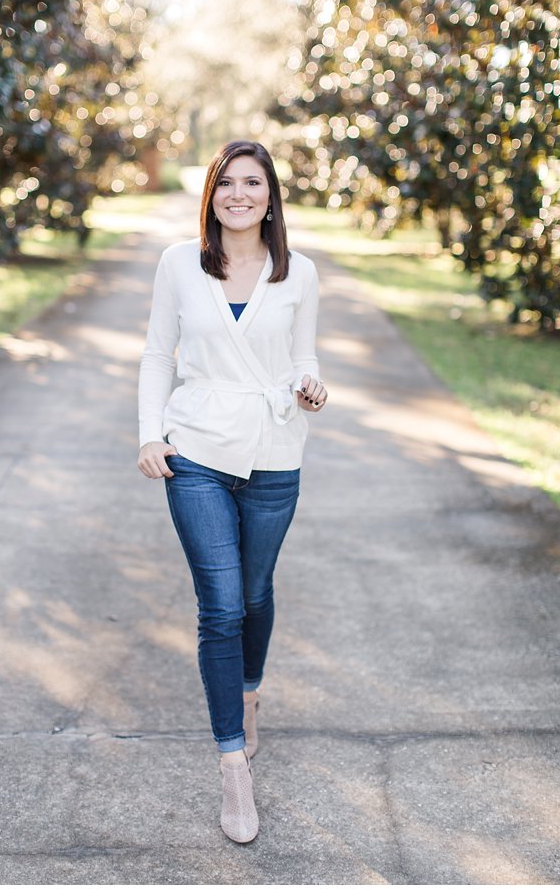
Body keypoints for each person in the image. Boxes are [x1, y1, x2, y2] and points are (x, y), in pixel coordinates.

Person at [137, 139, 327, 844]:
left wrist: (312, 383)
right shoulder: (178, 263)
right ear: (211, 194)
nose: (239, 194)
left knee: (254, 592)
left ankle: (248, 693)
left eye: (253, 183)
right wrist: (149, 433)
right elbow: (159, 352)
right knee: (219, 605)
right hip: (196, 449)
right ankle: (232, 767)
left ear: (271, 197)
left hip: (276, 452)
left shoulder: (299, 272)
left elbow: (303, 354)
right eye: (227, 183)